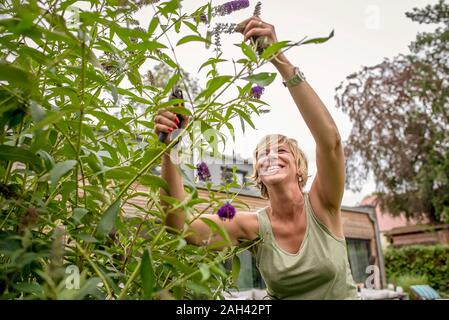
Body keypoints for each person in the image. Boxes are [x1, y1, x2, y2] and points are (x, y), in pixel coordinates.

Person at [154, 16, 358, 300]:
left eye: (281, 150)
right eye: (262, 154)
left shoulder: (324, 206)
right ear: (258, 175)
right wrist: (170, 149)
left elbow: (331, 142)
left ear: (300, 168)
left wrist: (278, 59)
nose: (270, 156)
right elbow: (179, 226)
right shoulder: (252, 226)